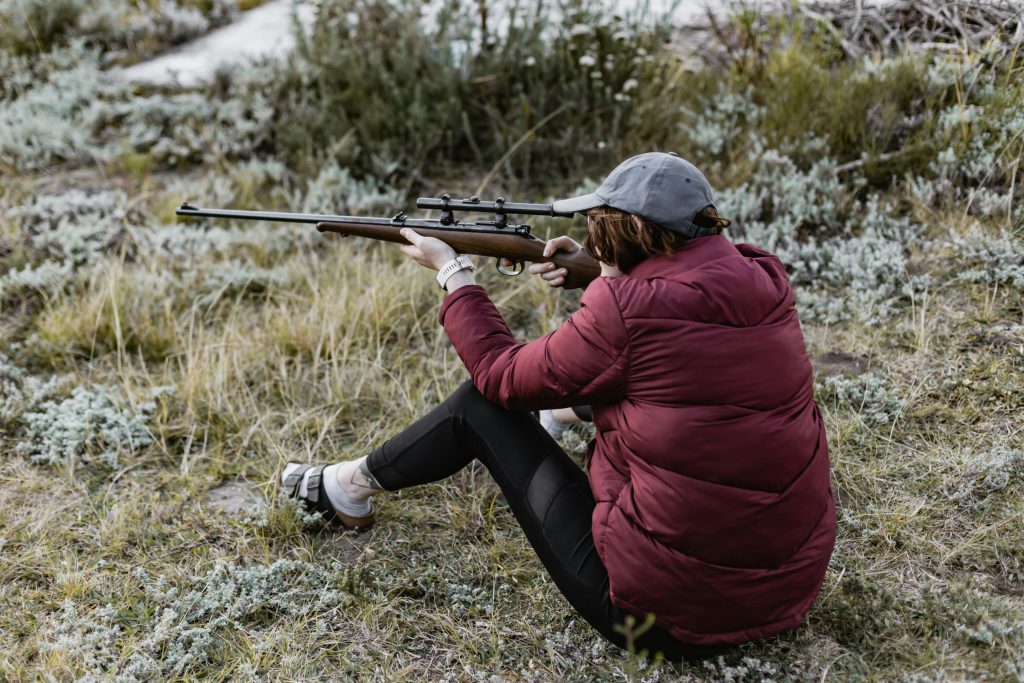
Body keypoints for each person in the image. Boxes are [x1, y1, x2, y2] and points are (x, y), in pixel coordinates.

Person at [281, 152, 836, 659]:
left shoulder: (624, 315)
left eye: (600, 227)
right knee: (677, 402)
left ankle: (345, 489)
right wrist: (598, 271)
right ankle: (549, 421)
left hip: (659, 620)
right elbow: (677, 317)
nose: (592, 234)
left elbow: (500, 377)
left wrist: (454, 274)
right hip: (785, 591)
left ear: (628, 232)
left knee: (481, 406)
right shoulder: (763, 277)